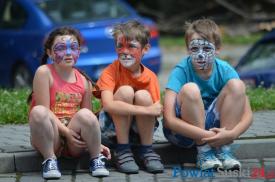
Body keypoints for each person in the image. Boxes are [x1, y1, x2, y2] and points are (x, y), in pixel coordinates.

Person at [163, 18, 253, 171]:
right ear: (187, 50)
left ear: (217, 49)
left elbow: (248, 115)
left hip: (218, 133)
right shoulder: (181, 70)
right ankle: (204, 152)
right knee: (191, 89)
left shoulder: (225, 70)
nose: (200, 55)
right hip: (183, 134)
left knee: (237, 85)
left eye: (206, 49)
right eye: (194, 49)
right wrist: (206, 136)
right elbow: (169, 120)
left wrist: (230, 135)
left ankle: (224, 150)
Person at [28, 27, 110, 179]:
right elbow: (44, 111)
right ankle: (49, 160)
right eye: (60, 48)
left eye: (73, 47)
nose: (67, 53)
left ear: (79, 51)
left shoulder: (84, 81)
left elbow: (89, 120)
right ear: (50, 53)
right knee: (38, 111)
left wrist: (96, 144)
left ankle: (95, 158)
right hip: (50, 137)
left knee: (86, 114)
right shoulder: (44, 73)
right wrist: (66, 133)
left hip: (74, 143)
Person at [94, 20, 164, 174]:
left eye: (131, 46)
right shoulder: (110, 72)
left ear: (145, 49)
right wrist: (145, 110)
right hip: (111, 132)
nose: (124, 51)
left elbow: (157, 110)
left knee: (144, 96)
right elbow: (108, 105)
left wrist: (149, 109)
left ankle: (146, 150)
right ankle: (123, 150)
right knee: (125, 91)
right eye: (120, 46)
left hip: (140, 130)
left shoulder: (150, 76)